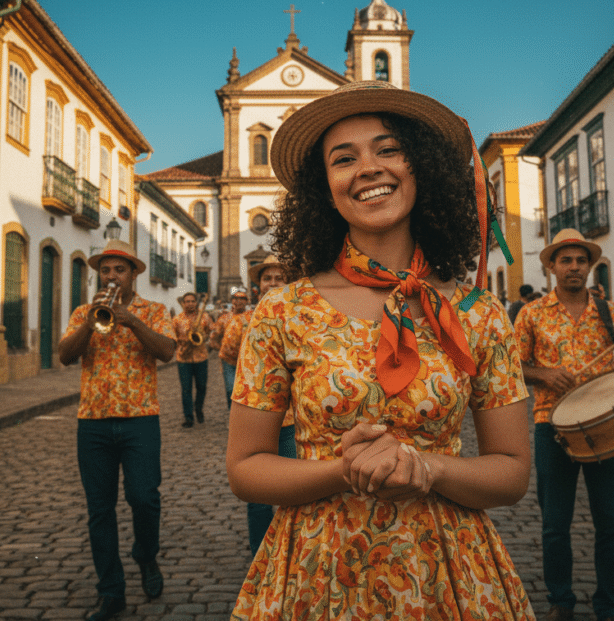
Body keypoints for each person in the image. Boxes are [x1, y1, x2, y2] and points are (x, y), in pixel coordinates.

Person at [225, 80, 536, 619]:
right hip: (317, 573)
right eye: (344, 158)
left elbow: (511, 473)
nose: (369, 167)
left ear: (423, 168)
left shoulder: (480, 314)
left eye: (388, 149)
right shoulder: (281, 311)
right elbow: (246, 468)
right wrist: (344, 470)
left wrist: (428, 469)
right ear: (325, 188)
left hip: (449, 576)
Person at [514, 228, 614, 621]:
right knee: (555, 524)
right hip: (551, 427)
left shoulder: (612, 313)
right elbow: (510, 368)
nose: (574, 267)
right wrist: (542, 374)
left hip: (606, 427)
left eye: (580, 261)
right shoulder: (531, 314)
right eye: (566, 260)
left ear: (590, 266)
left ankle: (609, 605)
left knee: (611, 523)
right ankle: (561, 601)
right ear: (551, 266)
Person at [57, 239, 176, 621]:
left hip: (140, 418)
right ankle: (111, 591)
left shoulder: (154, 311)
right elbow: (64, 355)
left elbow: (167, 351)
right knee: (99, 510)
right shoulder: (83, 312)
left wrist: (133, 321)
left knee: (145, 498)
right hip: (92, 421)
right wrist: (91, 324)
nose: (111, 276)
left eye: (118, 270)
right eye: (105, 270)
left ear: (133, 274)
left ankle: (145, 554)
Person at [226, 256, 296, 556]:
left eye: (280, 278)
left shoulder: (301, 316)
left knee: (294, 491)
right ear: (258, 285)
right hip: (254, 418)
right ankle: (260, 554)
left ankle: (291, 552)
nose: (273, 283)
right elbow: (228, 353)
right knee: (257, 496)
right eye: (267, 278)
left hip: (293, 421)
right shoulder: (241, 321)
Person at [172, 292, 213, 427]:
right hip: (183, 357)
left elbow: (211, 331)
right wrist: (183, 340)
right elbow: (172, 336)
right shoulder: (177, 319)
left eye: (192, 301)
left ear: (196, 302)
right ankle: (188, 417)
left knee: (201, 387)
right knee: (186, 389)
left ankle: (198, 408)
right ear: (183, 303)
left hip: (201, 357)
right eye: (187, 301)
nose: (190, 304)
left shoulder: (204, 316)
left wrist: (204, 336)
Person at [216, 288, 250, 408]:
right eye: (235, 298)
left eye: (242, 299)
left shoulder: (252, 317)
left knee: (245, 390)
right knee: (230, 389)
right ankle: (232, 414)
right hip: (227, 360)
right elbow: (215, 335)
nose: (238, 301)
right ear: (232, 301)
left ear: (247, 301)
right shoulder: (224, 318)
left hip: (246, 361)